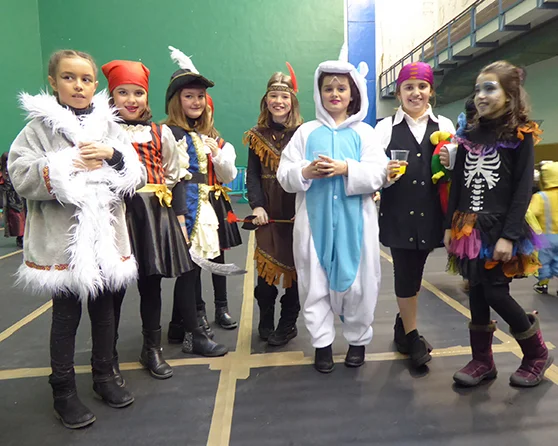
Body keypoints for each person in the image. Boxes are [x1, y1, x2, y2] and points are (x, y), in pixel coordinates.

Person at [8, 50, 145, 428]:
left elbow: (136, 174)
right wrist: (64, 164)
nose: (78, 85)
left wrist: (113, 155)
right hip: (63, 242)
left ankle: (104, 375)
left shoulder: (109, 126)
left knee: (105, 313)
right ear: (53, 82)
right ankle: (64, 391)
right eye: (69, 78)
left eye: (85, 79)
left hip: (105, 240)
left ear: (95, 84)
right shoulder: (38, 129)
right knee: (65, 317)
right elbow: (20, 174)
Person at [103, 60, 228, 382]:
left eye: (138, 93)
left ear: (147, 96)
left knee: (152, 284)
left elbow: (175, 175)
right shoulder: (104, 131)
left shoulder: (160, 134)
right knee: (114, 288)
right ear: (111, 95)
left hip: (153, 216)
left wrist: (180, 220)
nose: (131, 100)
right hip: (116, 217)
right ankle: (106, 357)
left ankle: (152, 348)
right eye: (123, 92)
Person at [445, 60, 553, 388]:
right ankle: (482, 360)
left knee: (495, 292)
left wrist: (509, 235)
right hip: (468, 227)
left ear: (510, 95)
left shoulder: (520, 135)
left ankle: (536, 352)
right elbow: (458, 182)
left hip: (500, 228)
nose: (481, 95)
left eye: (490, 88)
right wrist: (450, 226)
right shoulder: (468, 135)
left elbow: (522, 189)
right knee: (477, 291)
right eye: (478, 89)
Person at [277, 60, 388, 373]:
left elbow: (379, 173)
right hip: (315, 224)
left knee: (361, 284)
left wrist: (346, 168)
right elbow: (285, 173)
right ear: (319, 93)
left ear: (353, 94)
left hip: (357, 224)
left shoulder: (365, 133)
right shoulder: (305, 132)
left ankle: (357, 341)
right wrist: (306, 171)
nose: (335, 94)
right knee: (314, 283)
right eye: (328, 88)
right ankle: (322, 344)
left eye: (341, 88)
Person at [375, 62, 456, 369]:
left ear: (431, 91)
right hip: (398, 213)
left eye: (422, 87)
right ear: (398, 93)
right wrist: (384, 175)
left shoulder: (444, 125)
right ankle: (412, 335)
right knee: (405, 272)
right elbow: (372, 171)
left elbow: (454, 173)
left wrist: (451, 161)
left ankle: (402, 325)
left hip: (432, 213)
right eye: (408, 87)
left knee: (416, 271)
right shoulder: (385, 128)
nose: (416, 93)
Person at [164, 46, 236, 346]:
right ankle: (193, 330)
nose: (196, 101)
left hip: (204, 207)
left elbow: (225, 174)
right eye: (189, 96)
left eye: (200, 96)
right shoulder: (168, 133)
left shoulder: (202, 136)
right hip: (183, 209)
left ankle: (182, 326)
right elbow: (171, 176)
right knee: (189, 270)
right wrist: (180, 215)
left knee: (196, 266)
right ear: (176, 100)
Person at [245, 65, 303, 346]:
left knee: (297, 273)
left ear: (293, 101)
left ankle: (288, 323)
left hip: (297, 213)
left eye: (284, 96)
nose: (279, 101)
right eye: (273, 96)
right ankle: (266, 320)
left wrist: (305, 211)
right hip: (267, 215)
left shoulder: (304, 133)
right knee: (265, 277)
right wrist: (257, 206)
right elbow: (253, 175)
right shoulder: (257, 135)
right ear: (266, 100)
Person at [528, 161, 558, 295]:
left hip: (546, 237)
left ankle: (543, 284)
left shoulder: (541, 197)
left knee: (543, 262)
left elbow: (530, 213)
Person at [0, 152, 25, 247]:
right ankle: (20, 238)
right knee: (17, 219)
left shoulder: (11, 170)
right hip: (12, 199)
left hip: (16, 198)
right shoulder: (6, 171)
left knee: (19, 219)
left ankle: (21, 238)